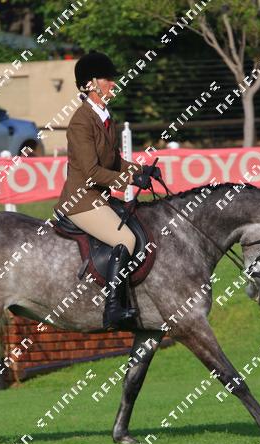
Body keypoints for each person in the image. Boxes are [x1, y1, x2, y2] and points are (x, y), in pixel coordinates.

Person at [53, 50, 162, 331]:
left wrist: (141, 170)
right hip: (81, 201)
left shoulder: (104, 116)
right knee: (125, 239)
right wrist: (131, 181)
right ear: (91, 84)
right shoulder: (81, 121)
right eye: (107, 79)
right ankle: (112, 308)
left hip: (98, 197)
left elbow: (114, 161)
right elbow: (92, 172)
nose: (114, 83)